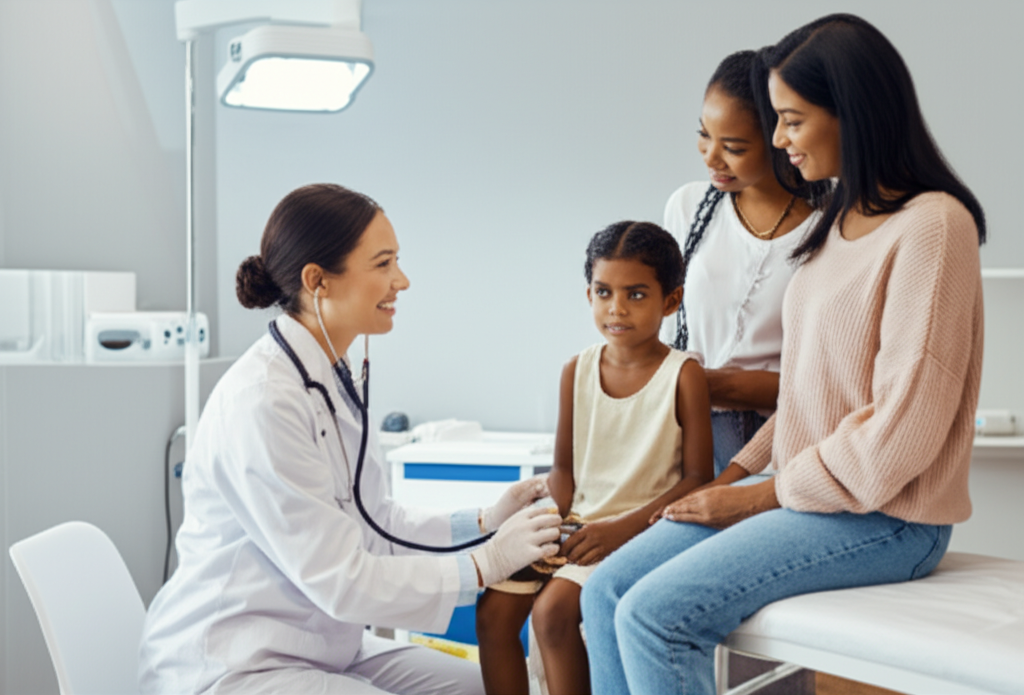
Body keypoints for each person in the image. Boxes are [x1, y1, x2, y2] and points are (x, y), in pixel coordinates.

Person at [581, 13, 986, 695]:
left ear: (852, 114)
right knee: (606, 591)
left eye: (792, 121)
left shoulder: (933, 227)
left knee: (655, 617)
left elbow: (898, 439)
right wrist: (731, 479)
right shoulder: (839, 222)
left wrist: (756, 498)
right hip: (808, 496)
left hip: (889, 517)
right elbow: (804, 397)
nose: (777, 140)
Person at [138, 183, 563, 695]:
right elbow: (341, 579)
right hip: (234, 662)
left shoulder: (327, 376)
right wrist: (485, 562)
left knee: (487, 688)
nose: (402, 280)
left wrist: (484, 521)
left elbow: (376, 521)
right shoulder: (263, 400)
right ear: (317, 280)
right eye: (383, 264)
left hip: (322, 647)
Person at [476, 221, 715, 695]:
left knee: (552, 614)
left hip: (639, 532)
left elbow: (697, 480)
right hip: (577, 524)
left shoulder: (684, 375)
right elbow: (563, 470)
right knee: (493, 614)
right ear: (589, 295)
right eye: (604, 292)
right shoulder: (576, 370)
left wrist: (618, 530)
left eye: (636, 294)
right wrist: (551, 527)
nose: (616, 308)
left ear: (671, 300)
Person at [662, 49, 827, 476]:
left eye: (733, 147)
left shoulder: (827, 230)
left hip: (779, 434)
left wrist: (708, 383)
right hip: (687, 425)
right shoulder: (688, 207)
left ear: (780, 140)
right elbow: (666, 332)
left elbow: (824, 379)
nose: (711, 157)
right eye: (704, 135)